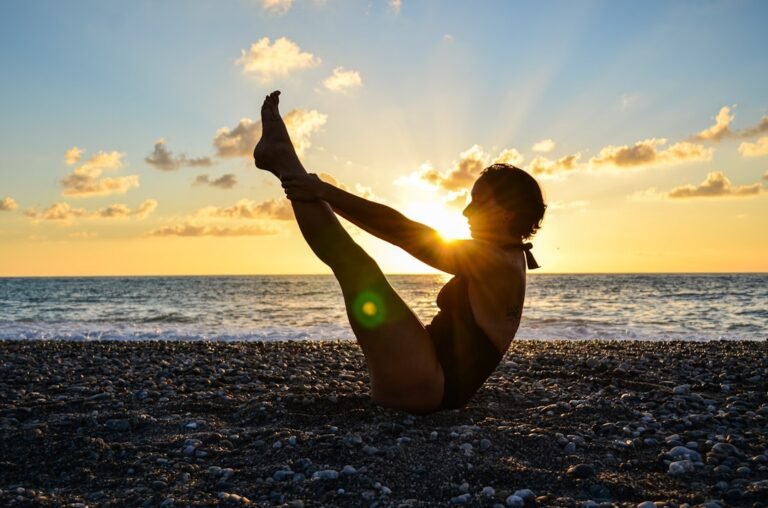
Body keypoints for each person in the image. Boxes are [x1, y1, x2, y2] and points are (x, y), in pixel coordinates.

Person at [254, 91, 546, 414]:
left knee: (355, 266)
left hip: (425, 386)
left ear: (506, 212)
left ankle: (283, 161)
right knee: (353, 264)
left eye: (478, 201)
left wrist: (324, 192)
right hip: (426, 379)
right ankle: (283, 161)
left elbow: (405, 234)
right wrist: (323, 195)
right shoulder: (506, 257)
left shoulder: (499, 263)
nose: (466, 212)